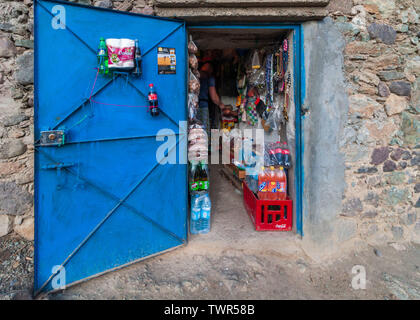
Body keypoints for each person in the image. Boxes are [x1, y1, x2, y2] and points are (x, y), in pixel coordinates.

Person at [197, 60, 225, 138]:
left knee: (194, 130)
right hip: (203, 106)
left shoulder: (194, 75)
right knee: (204, 131)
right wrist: (221, 104)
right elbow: (214, 97)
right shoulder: (210, 78)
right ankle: (205, 147)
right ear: (210, 69)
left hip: (192, 106)